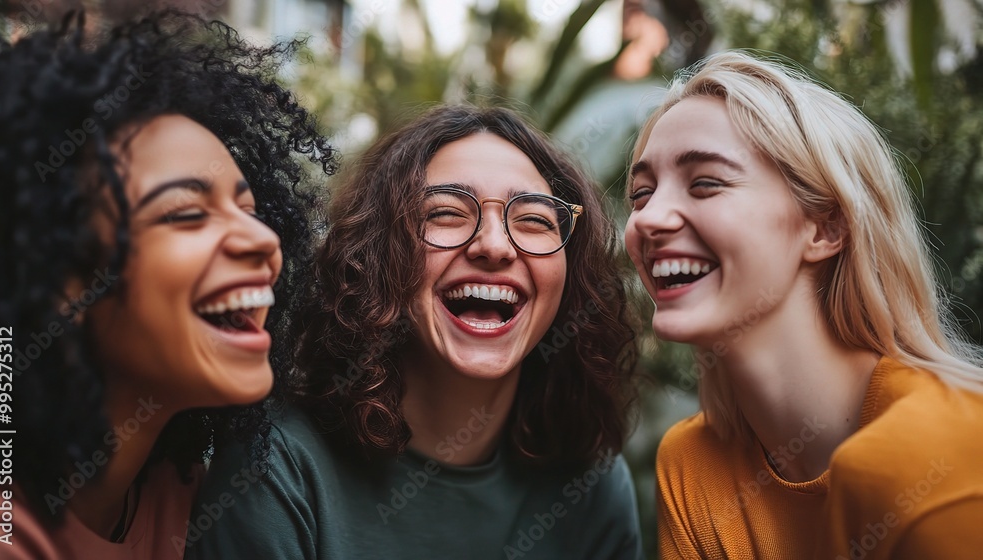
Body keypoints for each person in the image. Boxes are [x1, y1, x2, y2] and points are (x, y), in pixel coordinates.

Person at [185, 105, 644, 560]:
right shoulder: (277, 465)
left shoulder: (593, 484)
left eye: (533, 219)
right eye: (446, 212)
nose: (494, 246)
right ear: (376, 256)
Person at [0, 11, 334, 559]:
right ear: (59, 279)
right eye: (186, 214)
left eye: (250, 209)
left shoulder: (182, 493)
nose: (264, 240)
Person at [625, 50, 983, 559]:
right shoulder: (691, 465)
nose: (648, 220)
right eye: (640, 195)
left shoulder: (934, 451)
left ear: (826, 226)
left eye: (705, 183)